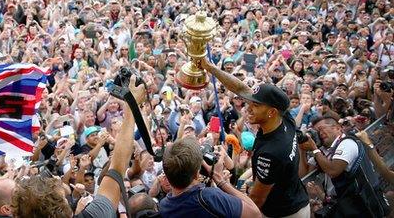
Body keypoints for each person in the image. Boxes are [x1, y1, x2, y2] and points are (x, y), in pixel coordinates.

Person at [10, 76, 145, 218]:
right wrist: (131, 107)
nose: (58, 180)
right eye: (59, 193)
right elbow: (118, 167)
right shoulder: (93, 215)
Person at [201, 59, 310, 217]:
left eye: (256, 106)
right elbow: (240, 88)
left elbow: (255, 202)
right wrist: (211, 68)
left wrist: (221, 183)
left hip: (283, 213)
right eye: (249, 103)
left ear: (271, 112)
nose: (248, 109)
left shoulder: (272, 152)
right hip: (294, 199)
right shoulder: (284, 116)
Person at [298, 116, 389, 217]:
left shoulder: (347, 142)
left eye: (321, 129)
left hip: (362, 202)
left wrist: (315, 149)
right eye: (315, 132)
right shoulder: (323, 151)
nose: (319, 134)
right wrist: (301, 150)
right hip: (343, 203)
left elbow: (333, 170)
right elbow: (304, 175)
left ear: (337, 128)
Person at [159, 137, 260, 217]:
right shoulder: (209, 197)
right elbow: (255, 214)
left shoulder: (163, 206)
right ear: (196, 175)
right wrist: (220, 180)